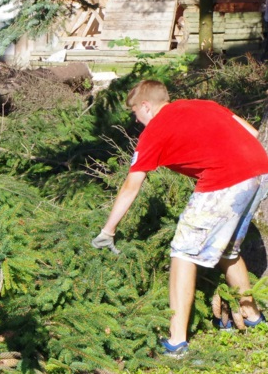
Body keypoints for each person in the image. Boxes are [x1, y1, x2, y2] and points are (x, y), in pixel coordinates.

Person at [93, 80, 268, 357]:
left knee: (183, 252)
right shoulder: (202, 105)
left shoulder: (154, 131)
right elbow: (251, 131)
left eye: (135, 113)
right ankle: (252, 316)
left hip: (224, 178)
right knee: (228, 250)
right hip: (260, 169)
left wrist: (108, 230)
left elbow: (131, 185)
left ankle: (176, 341)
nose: (136, 120)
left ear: (146, 106)